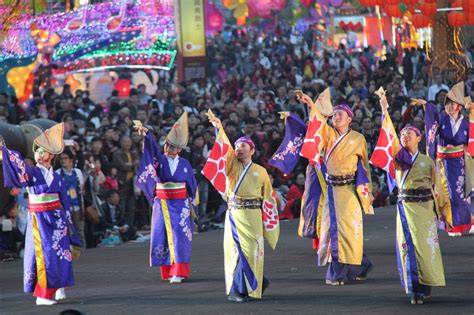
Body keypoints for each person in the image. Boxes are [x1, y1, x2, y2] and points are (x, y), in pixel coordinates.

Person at [377, 95, 448, 304]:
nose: (405, 136)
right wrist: (384, 110)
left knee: (425, 247)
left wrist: (444, 212)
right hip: (406, 208)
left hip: (425, 209)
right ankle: (415, 289)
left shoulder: (427, 161)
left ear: (419, 138)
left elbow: (438, 189)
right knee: (408, 246)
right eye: (402, 134)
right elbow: (388, 134)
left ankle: (425, 286)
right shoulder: (398, 158)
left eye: (410, 133)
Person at [298, 92, 374, 286]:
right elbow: (317, 124)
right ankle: (343, 271)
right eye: (334, 114)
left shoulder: (358, 139)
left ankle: (358, 266)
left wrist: (366, 191)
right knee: (332, 231)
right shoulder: (328, 134)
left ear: (350, 118)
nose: (336, 117)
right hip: (331, 189)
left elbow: (364, 167)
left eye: (340, 114)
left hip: (349, 191)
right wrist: (310, 105)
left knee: (349, 231)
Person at [0, 123, 81, 306]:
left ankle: (59, 287)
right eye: (36, 152)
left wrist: (67, 221)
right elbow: (19, 167)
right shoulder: (32, 172)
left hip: (57, 219)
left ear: (51, 155)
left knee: (61, 253)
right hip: (40, 220)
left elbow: (65, 201)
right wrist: (4, 151)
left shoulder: (57, 177)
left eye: (42, 151)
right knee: (46, 255)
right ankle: (42, 295)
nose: (38, 155)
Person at [207, 112, 280, 303]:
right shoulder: (232, 165)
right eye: (237, 146)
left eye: (243, 146)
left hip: (254, 215)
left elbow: (269, 198)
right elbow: (224, 149)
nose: (239, 149)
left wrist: (269, 222)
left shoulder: (261, 171)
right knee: (237, 251)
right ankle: (237, 290)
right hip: (235, 213)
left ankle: (256, 283)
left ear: (252, 150)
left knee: (252, 250)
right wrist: (219, 128)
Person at [135, 113, 198, 284]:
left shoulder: (185, 164)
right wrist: (147, 135)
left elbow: (192, 186)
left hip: (181, 204)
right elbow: (152, 150)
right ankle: (168, 270)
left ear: (179, 149)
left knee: (180, 237)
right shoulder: (159, 160)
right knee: (161, 235)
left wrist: (192, 204)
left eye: (172, 147)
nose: (168, 149)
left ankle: (179, 271)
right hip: (162, 203)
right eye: (167, 145)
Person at [411, 82, 474, 236]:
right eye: (447, 104)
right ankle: (451, 225)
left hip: (461, 162)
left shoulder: (466, 124)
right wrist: (427, 105)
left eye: (453, 104)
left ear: (459, 106)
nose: (449, 107)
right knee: (447, 194)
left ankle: (468, 222)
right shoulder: (441, 120)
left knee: (464, 193)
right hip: (444, 162)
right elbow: (432, 118)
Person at [56, 148, 85, 247]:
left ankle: (84, 252)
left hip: (77, 205)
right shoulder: (57, 173)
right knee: (66, 231)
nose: (63, 160)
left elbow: (81, 187)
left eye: (65, 158)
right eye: (61, 158)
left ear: (71, 160)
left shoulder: (77, 172)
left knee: (80, 231)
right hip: (64, 207)